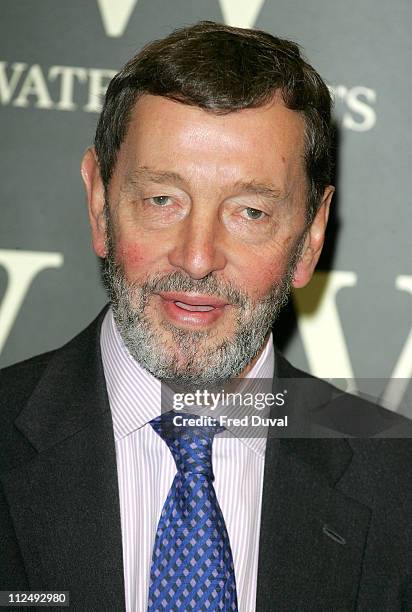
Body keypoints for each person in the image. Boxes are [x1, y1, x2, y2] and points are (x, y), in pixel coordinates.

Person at [0, 21, 411, 612]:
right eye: (162, 199)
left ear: (313, 235)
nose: (197, 258)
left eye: (249, 212)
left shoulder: (399, 481)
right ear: (99, 204)